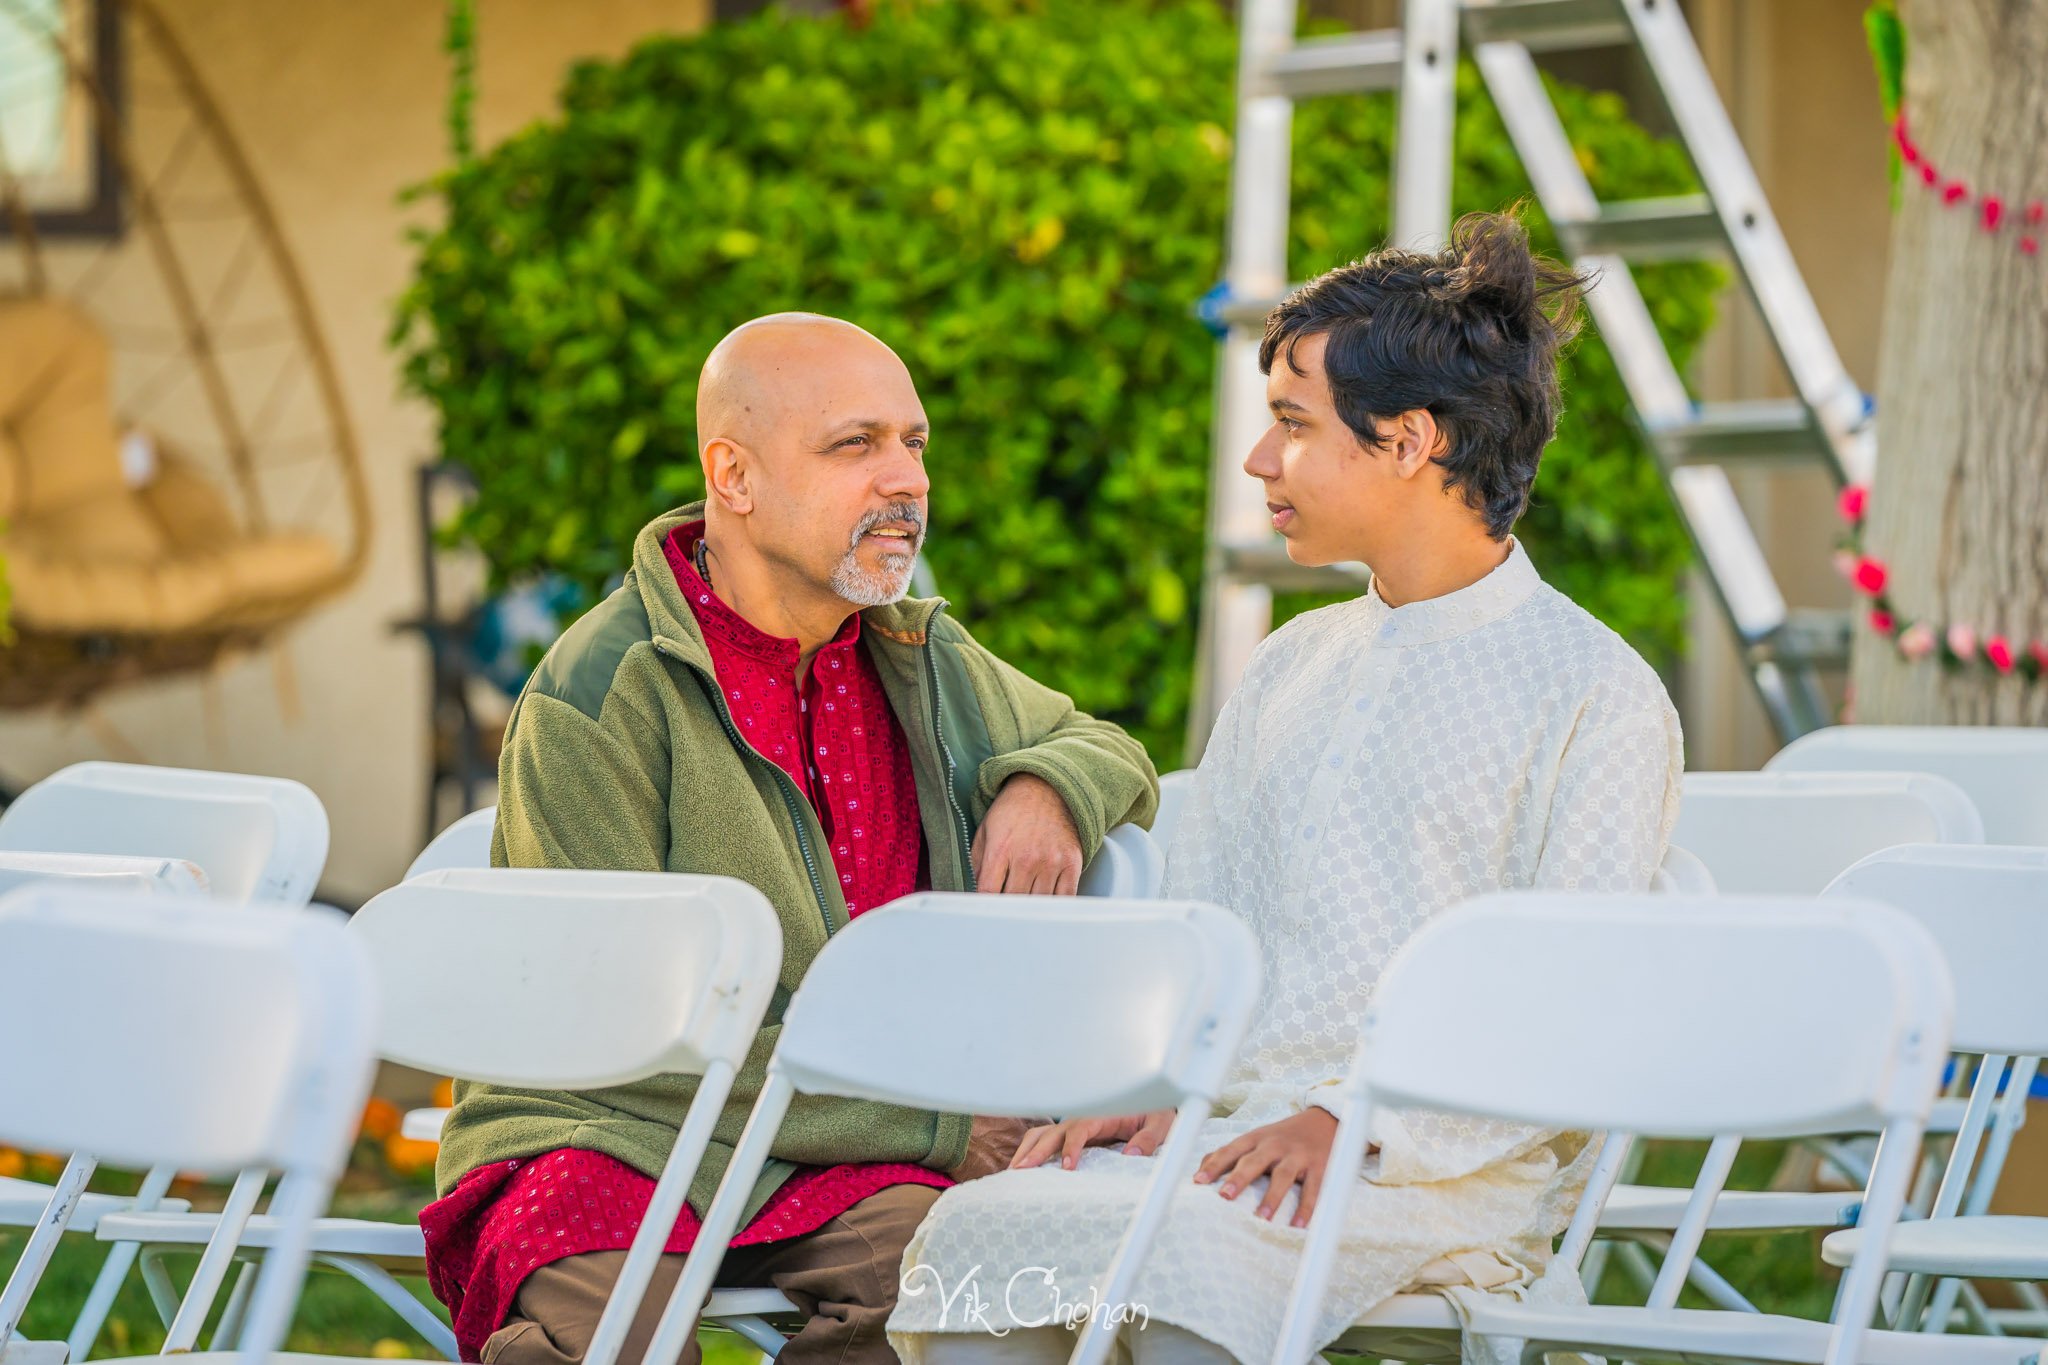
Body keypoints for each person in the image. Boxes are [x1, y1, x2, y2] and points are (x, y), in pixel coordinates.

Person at [889, 212, 1684, 1365]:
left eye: (1290, 426)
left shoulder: (1593, 693)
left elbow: (1566, 1005)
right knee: (984, 1236)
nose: (1258, 461)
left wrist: (1352, 1121)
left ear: (1409, 440)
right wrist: (1163, 1093)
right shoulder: (1289, 664)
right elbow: (1207, 936)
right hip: (1234, 1138)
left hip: (1443, 1174)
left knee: (1187, 1262)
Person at [421, 313, 1159, 1365]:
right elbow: (615, 1041)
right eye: (854, 445)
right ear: (734, 476)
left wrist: (1049, 784)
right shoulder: (598, 695)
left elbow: (1102, 742)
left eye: (914, 443)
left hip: (845, 1152)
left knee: (975, 1293)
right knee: (610, 1329)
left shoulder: (919, 653)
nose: (904, 481)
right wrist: (940, 1130)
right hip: (617, 1134)